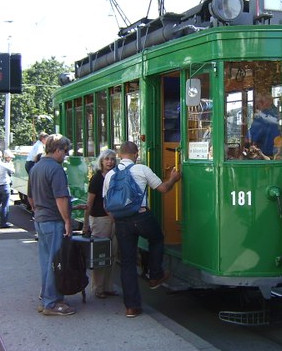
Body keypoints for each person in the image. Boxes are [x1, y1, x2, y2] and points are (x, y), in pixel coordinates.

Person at [103, 141, 181, 318]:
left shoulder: (110, 175)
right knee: (157, 238)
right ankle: (155, 275)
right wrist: (173, 178)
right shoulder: (142, 169)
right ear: (136, 154)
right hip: (141, 217)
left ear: (119, 155)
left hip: (121, 221)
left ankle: (131, 307)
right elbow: (163, 188)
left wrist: (117, 220)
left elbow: (106, 204)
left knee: (128, 263)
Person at [27, 134, 76, 316]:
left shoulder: (36, 167)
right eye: (65, 151)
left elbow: (31, 197)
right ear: (58, 150)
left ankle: (46, 298)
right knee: (57, 263)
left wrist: (40, 208)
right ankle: (52, 302)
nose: (66, 155)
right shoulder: (55, 169)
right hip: (54, 221)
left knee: (46, 262)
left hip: (41, 219)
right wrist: (67, 221)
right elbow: (60, 197)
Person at [81, 149, 119, 299]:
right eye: (107, 159)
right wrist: (85, 225)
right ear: (101, 161)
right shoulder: (96, 179)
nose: (109, 162)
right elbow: (89, 203)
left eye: (112, 159)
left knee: (113, 253)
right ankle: (98, 288)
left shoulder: (115, 177)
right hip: (99, 219)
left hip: (114, 218)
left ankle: (108, 286)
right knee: (101, 254)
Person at [247, 93, 280, 158]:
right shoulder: (276, 114)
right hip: (277, 152)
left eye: (257, 103)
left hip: (264, 153)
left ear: (262, 103)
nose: (256, 105)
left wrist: (248, 138)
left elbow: (251, 136)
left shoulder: (260, 117)